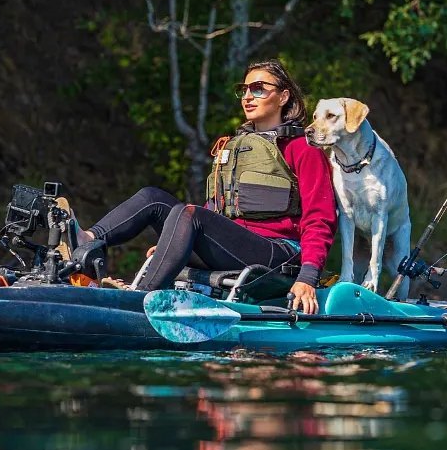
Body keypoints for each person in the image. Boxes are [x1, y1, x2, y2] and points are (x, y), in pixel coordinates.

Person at [77, 60, 337, 314]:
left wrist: (308, 277)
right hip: (232, 247)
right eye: (244, 90)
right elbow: (215, 211)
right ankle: (85, 243)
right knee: (152, 198)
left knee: (188, 213)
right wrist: (175, 240)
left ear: (283, 97)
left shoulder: (303, 148)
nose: (248, 96)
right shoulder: (237, 146)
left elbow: (320, 219)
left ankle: (139, 302)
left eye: (258, 88)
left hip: (277, 253)